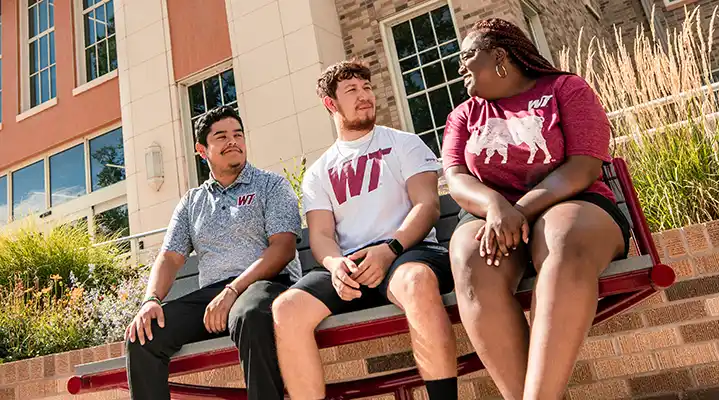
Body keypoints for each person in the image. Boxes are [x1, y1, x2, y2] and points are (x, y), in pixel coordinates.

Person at [442, 19, 631, 400]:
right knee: (469, 259)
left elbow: (583, 166)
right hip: (491, 214)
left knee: (561, 236)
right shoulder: (463, 115)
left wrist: (520, 210)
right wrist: (494, 205)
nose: (459, 67)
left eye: (468, 56)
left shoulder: (565, 88)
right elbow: (457, 177)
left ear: (500, 56)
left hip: (573, 201)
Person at [272, 60, 459, 399]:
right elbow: (321, 235)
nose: (365, 96)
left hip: (407, 252)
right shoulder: (319, 172)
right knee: (286, 309)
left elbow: (427, 206)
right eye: (352, 90)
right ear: (330, 103)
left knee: (416, 282)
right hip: (353, 266)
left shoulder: (404, 143)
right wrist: (336, 266)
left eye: (367, 88)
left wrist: (390, 250)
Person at [125, 106, 302, 400]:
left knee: (249, 314)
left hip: (267, 286)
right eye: (221, 136)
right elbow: (169, 257)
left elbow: (283, 248)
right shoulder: (192, 202)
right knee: (144, 336)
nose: (233, 141)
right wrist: (151, 300)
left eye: (238, 134)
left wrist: (233, 290)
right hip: (215, 300)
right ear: (202, 150)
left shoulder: (271, 185)